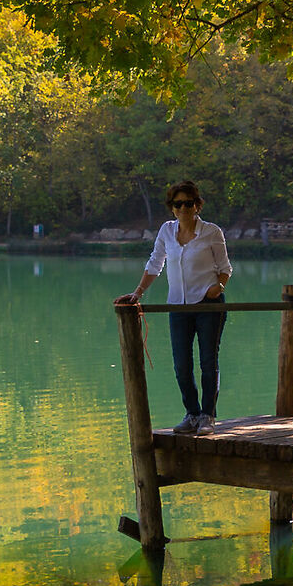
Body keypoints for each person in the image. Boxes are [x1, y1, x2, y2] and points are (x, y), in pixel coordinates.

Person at [119, 180, 233, 434]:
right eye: (178, 204)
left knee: (207, 361)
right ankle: (191, 414)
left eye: (188, 203)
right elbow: (155, 263)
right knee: (181, 364)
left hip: (208, 305)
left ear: (197, 205)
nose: (183, 208)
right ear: (172, 208)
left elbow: (225, 269)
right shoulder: (166, 232)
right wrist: (138, 293)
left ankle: (207, 416)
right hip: (178, 306)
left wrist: (219, 287)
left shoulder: (212, 232)